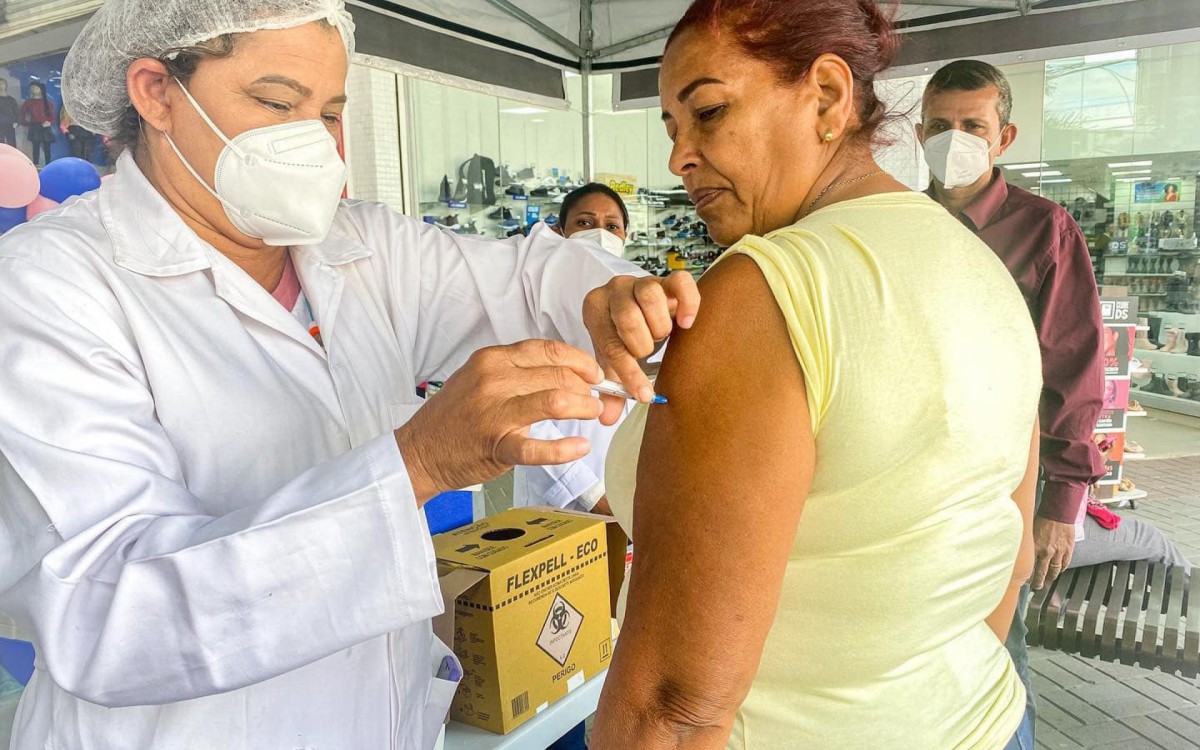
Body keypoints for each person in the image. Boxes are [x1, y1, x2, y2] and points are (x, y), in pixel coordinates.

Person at [0, 1, 701, 748]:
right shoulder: (50, 285)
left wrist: (609, 298)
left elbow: (528, 279)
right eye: (278, 103)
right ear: (157, 93)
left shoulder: (358, 248)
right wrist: (418, 465)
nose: (315, 142)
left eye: (331, 113)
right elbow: (113, 616)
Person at [591, 1, 1040, 748]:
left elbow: (673, 709)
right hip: (987, 720)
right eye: (671, 128)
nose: (679, 158)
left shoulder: (764, 291)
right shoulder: (979, 266)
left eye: (708, 112)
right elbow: (1010, 560)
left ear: (827, 97)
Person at [918, 59, 1107, 741]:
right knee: (915, 650)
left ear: (1005, 137)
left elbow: (1074, 369)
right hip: (910, 478)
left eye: (973, 125)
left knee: (998, 649)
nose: (954, 139)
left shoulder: (1044, 230)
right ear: (919, 131)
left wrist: (1061, 505)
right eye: (939, 124)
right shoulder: (899, 223)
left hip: (1003, 486)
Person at [516, 183, 634, 515]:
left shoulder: (634, 307)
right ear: (560, 232)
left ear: (625, 237)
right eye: (585, 223)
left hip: (627, 497)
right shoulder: (534, 306)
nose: (601, 234)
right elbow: (526, 418)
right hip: (559, 500)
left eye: (612, 226)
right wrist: (591, 494)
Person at [18, 81, 55, 166]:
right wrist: (27, 123)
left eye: (35, 87)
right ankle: (36, 164)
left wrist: (49, 122)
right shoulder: (29, 102)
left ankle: (48, 164)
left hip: (45, 127)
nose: (33, 89)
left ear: (41, 89)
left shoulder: (47, 102)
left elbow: (52, 116)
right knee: (36, 146)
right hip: (35, 126)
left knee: (47, 147)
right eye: (32, 88)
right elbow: (22, 113)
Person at [0, 79, 19, 148]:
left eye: (2, 83)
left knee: (12, 144)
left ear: (6, 85)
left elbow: (17, 112)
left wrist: (16, 122)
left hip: (10, 125)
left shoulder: (11, 100)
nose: (1, 85)